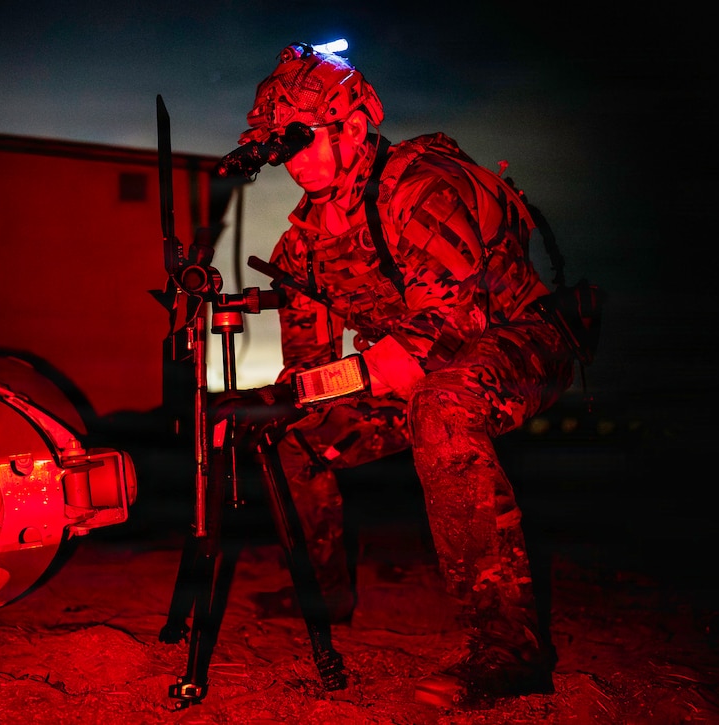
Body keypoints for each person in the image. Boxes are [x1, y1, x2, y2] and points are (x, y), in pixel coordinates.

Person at [214, 41, 578, 711]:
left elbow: (447, 331)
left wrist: (332, 380)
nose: (289, 157)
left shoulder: (417, 186)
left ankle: (509, 645)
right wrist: (273, 402)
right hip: (403, 367)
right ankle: (324, 595)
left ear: (352, 127)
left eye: (299, 138)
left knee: (441, 404)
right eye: (277, 144)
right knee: (287, 432)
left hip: (516, 340)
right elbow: (309, 367)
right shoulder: (301, 244)